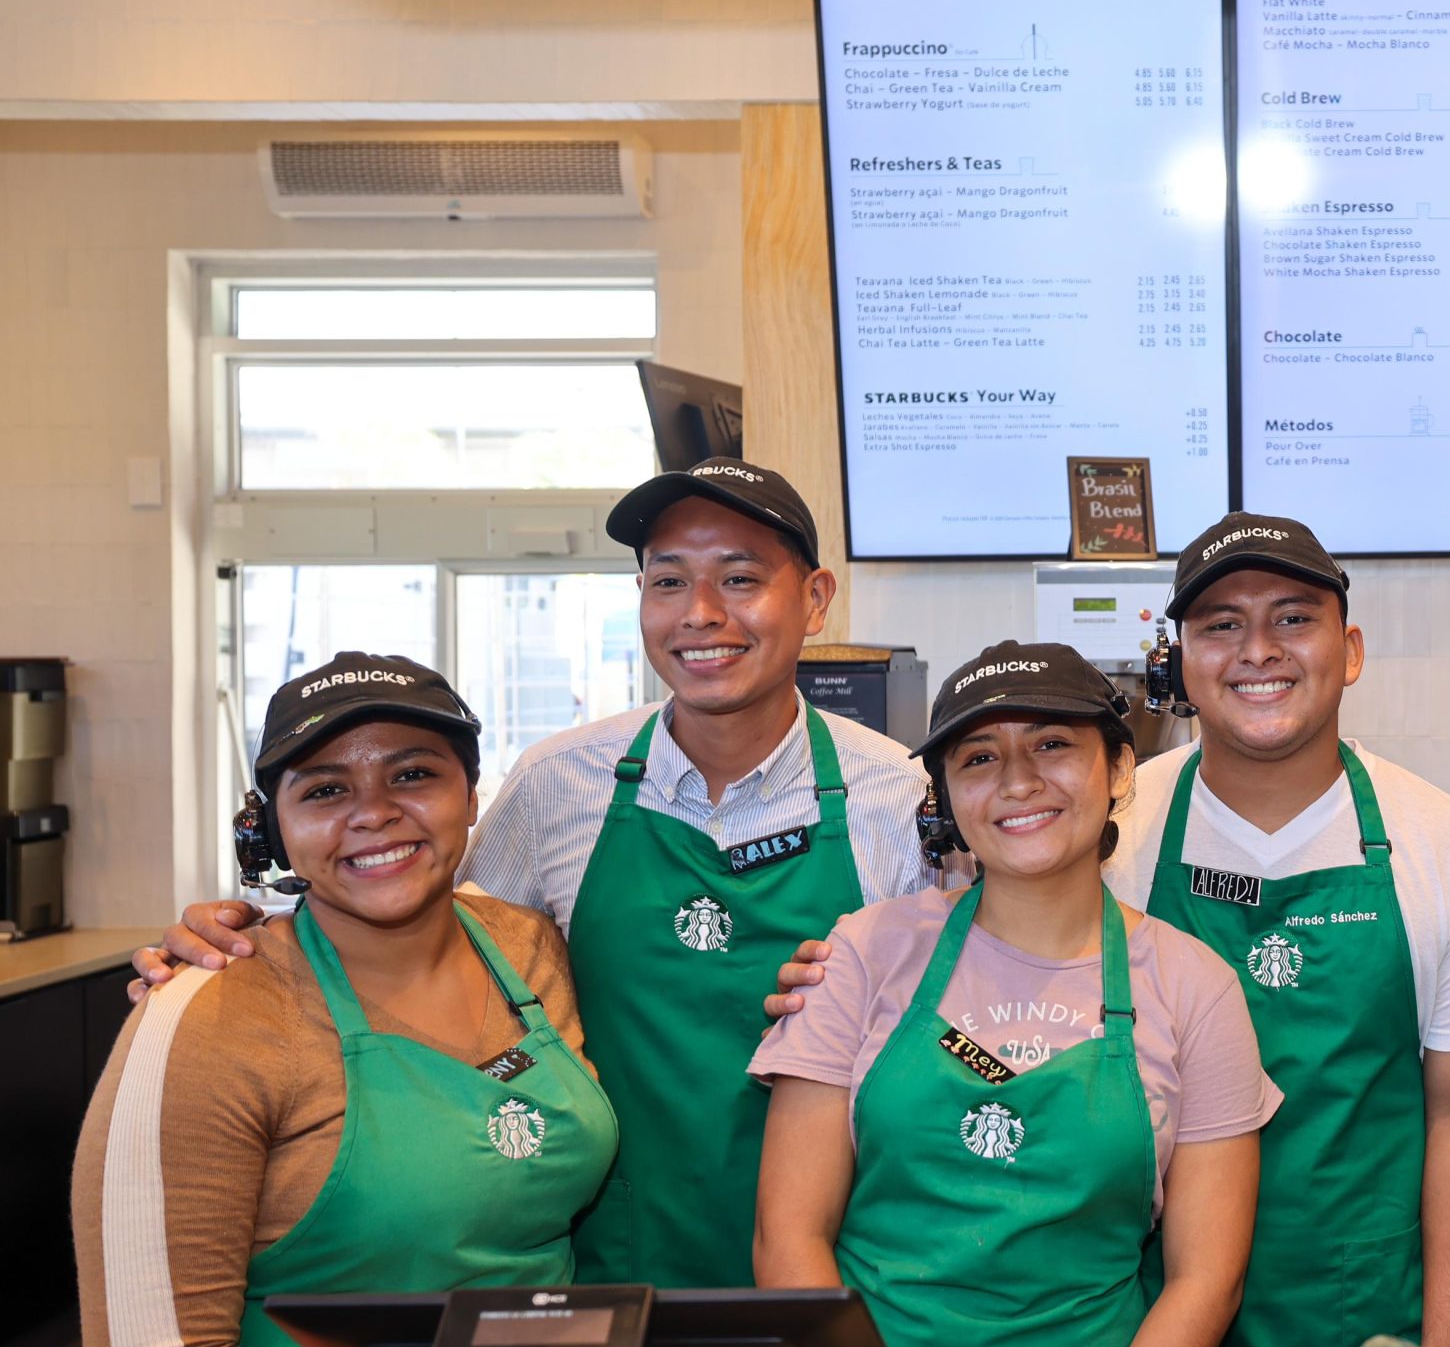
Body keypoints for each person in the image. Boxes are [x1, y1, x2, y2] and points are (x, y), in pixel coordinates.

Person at [769, 513, 1450, 1347]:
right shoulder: (1122, 824)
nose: (1257, 651)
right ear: (1178, 660)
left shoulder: (1442, 845)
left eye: (1292, 617)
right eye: (1218, 625)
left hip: (1345, 1311)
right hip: (1131, 1330)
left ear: (1351, 648)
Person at [131, 459, 934, 1289]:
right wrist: (247, 943)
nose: (701, 614)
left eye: (740, 578)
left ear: (813, 598)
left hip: (837, 1256)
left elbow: (958, 1011)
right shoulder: (559, 784)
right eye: (668, 581)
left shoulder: (896, 795)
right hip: (612, 1267)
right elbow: (427, 935)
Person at [73, 655, 614, 1347]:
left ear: (471, 798)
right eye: (324, 790)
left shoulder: (527, 948)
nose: (374, 812)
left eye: (413, 774)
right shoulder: (205, 1018)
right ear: (272, 830)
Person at [751, 643, 1271, 1347]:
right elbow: (788, 1236)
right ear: (948, 799)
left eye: (1053, 745)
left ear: (1120, 771)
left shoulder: (1193, 987)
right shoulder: (864, 952)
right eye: (980, 758)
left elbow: (1205, 1282)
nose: (1018, 781)